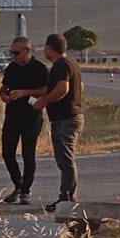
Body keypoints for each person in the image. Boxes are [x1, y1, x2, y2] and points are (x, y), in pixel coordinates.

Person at [0, 36, 50, 206]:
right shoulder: (12, 68)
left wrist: (24, 92)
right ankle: (18, 185)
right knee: (7, 153)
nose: (14, 56)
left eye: (17, 53)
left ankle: (25, 190)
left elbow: (45, 90)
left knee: (28, 154)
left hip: (31, 116)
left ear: (27, 51)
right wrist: (3, 95)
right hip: (12, 115)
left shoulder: (39, 68)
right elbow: (4, 86)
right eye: (12, 52)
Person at [33, 33, 83, 209]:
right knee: (65, 159)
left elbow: (63, 88)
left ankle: (68, 199)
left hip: (66, 118)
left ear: (49, 49)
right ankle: (66, 197)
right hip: (69, 117)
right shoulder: (71, 64)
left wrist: (45, 101)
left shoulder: (61, 65)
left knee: (66, 160)